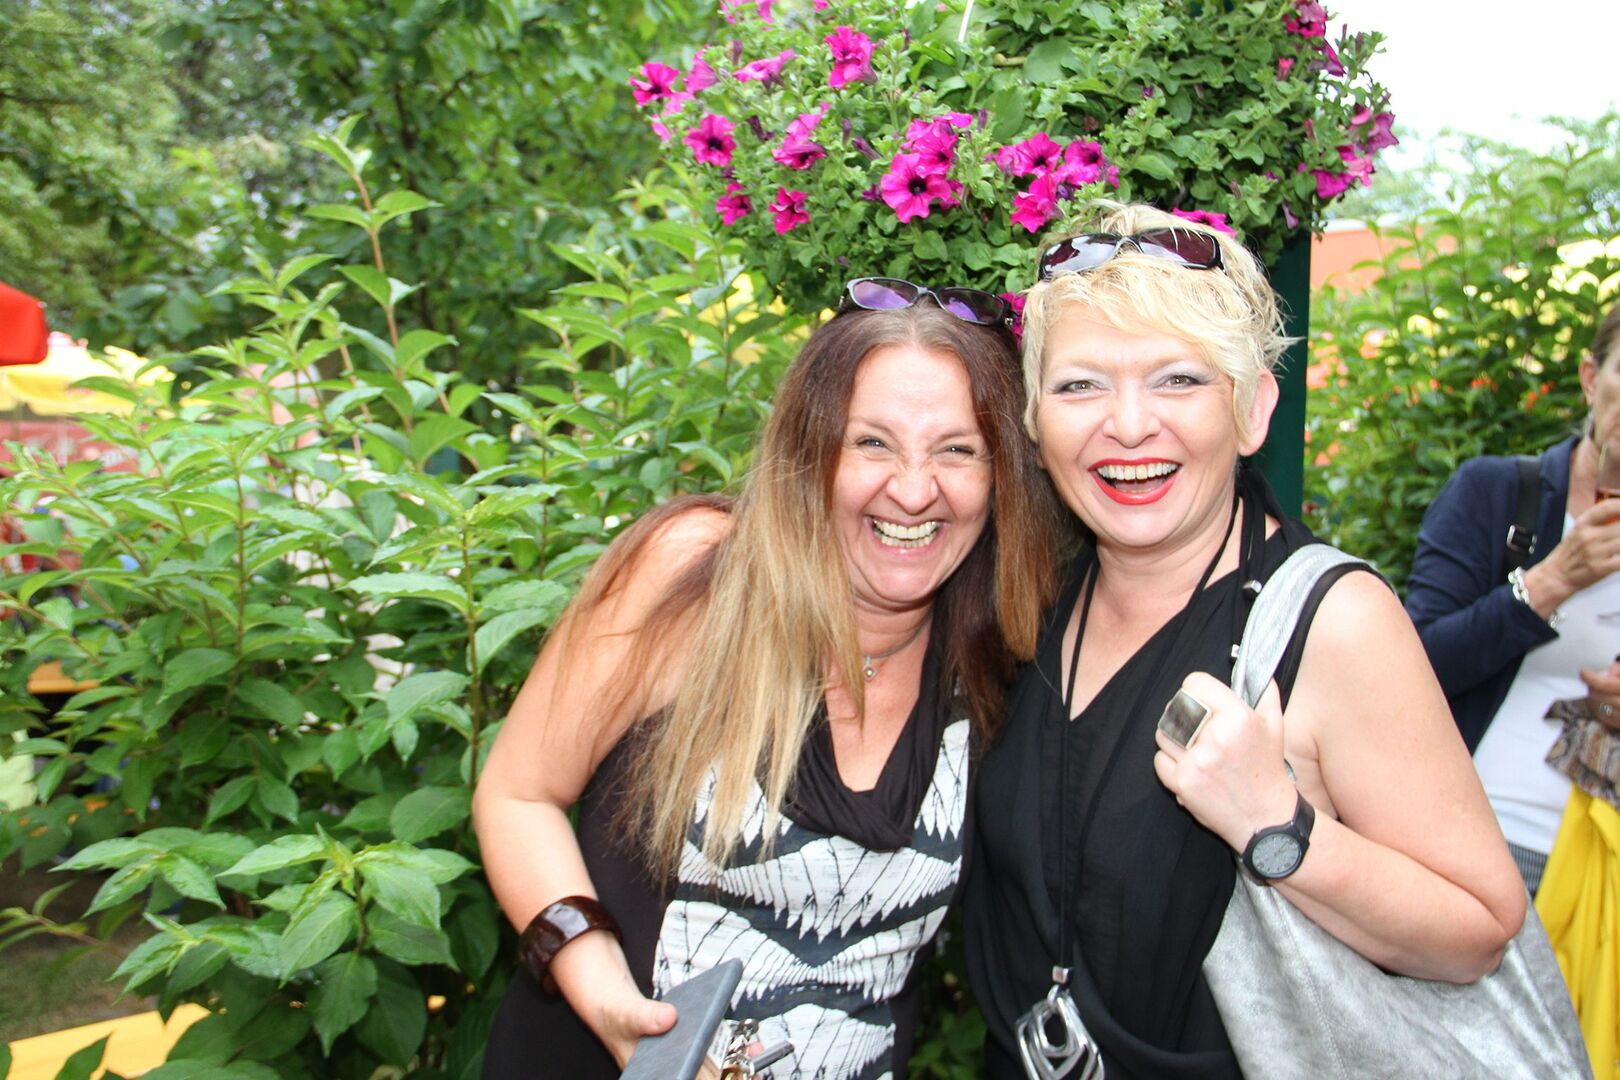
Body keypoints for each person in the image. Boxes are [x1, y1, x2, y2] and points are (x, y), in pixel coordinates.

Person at [962, 202, 1527, 1079]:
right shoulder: (1038, 597)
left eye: (1178, 379)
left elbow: (1479, 931)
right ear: (1035, 423)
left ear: (1253, 409)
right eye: (1080, 386)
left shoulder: (1331, 623)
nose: (1129, 424)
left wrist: (1278, 827)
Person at [473, 287, 1063, 1079]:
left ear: (1002, 476)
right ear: (810, 451)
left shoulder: (1001, 651)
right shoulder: (699, 579)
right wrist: (606, 998)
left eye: (957, 450)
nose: (914, 489)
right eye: (873, 443)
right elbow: (518, 795)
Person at [1405, 300, 1620, 894]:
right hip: (1498, 841)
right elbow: (1416, 664)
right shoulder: (1495, 493)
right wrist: (1551, 581)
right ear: (1590, 378)